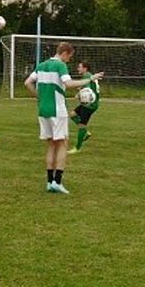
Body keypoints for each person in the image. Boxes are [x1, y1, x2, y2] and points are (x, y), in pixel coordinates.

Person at [24, 42, 103, 194]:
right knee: (63, 143)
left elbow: (27, 83)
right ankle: (57, 181)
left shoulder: (41, 65)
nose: (69, 60)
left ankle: (49, 182)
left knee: (51, 145)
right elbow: (69, 83)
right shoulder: (60, 65)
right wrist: (89, 79)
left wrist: (39, 97)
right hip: (57, 110)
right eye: (69, 57)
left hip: (43, 110)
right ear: (65, 53)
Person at [68, 60, 100, 155]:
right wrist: (80, 90)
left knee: (82, 125)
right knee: (72, 114)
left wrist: (79, 92)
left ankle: (77, 148)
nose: (78, 68)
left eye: (80, 67)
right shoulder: (88, 75)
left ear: (85, 68)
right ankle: (85, 133)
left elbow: (87, 87)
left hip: (90, 105)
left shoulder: (87, 75)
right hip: (87, 104)